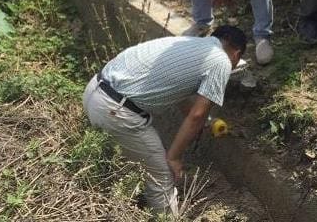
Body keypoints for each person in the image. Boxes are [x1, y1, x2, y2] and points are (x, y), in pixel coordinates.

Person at [82, 25, 247, 215]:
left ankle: (121, 205)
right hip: (116, 111)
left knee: (118, 162)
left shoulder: (189, 44)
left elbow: (182, 98)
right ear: (236, 53)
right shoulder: (222, 61)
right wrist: (174, 157)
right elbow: (197, 115)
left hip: (94, 92)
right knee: (163, 177)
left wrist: (209, 122)